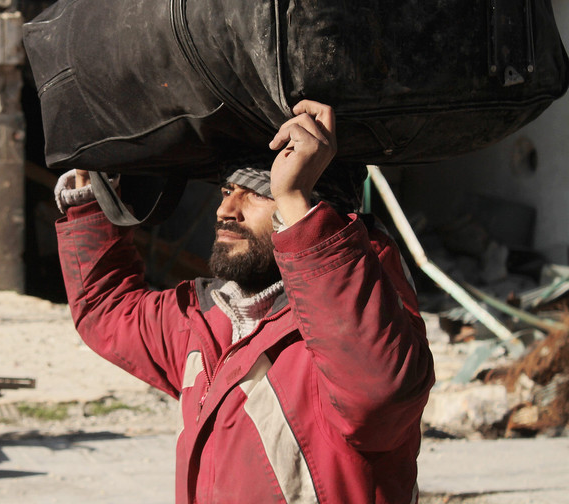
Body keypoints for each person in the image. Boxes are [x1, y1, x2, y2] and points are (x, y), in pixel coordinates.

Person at [53, 100, 434, 504]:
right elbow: (105, 308)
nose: (225, 210)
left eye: (256, 193)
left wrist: (294, 197)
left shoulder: (365, 319)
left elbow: (378, 397)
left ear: (310, 205)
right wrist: (90, 194)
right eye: (227, 190)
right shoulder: (211, 320)